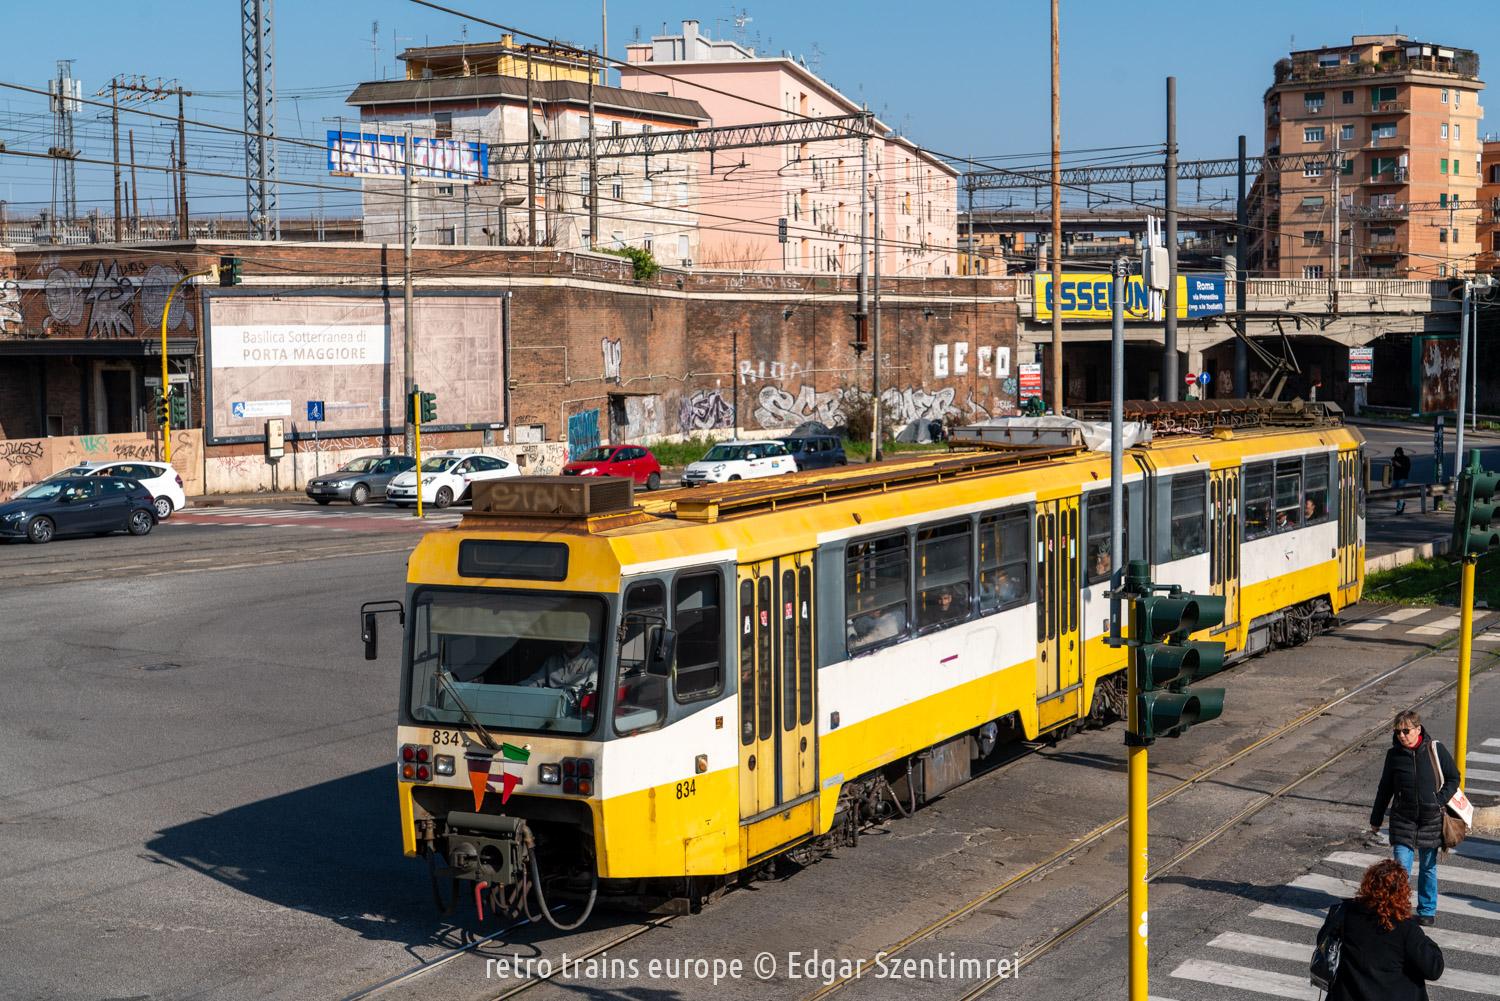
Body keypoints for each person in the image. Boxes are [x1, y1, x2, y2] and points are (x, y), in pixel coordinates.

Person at [1370, 709, 1458, 925]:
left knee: (1428, 867)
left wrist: (1438, 800)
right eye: (1398, 731)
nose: (1402, 735)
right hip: (1403, 819)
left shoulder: (1435, 749)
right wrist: (1376, 818)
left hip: (1430, 819)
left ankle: (1427, 910)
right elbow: (1385, 788)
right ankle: (1397, 909)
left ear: (1418, 730)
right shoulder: (1394, 755)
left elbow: (1453, 778)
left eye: (1406, 731)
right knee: (1401, 869)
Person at [1318, 859, 1443, 1000]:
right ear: (1403, 892)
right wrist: (1428, 943)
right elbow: (1433, 969)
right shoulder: (1405, 928)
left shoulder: (1345, 913)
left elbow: (1323, 942)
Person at [525, 639, 598, 691]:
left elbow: (592, 689)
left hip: (576, 708)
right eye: (567, 637)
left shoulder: (594, 662)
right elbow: (536, 681)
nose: (571, 641)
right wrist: (518, 687)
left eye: (575, 638)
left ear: (584, 639)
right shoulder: (552, 660)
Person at [1392, 447, 1411, 515]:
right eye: (1396, 453)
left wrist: (1399, 465)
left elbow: (1407, 468)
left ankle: (1399, 509)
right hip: (1395, 478)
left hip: (1402, 478)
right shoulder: (1394, 459)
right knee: (1394, 493)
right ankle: (1402, 503)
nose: (1397, 454)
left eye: (1398, 453)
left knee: (1400, 494)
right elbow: (1391, 468)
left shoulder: (1405, 459)